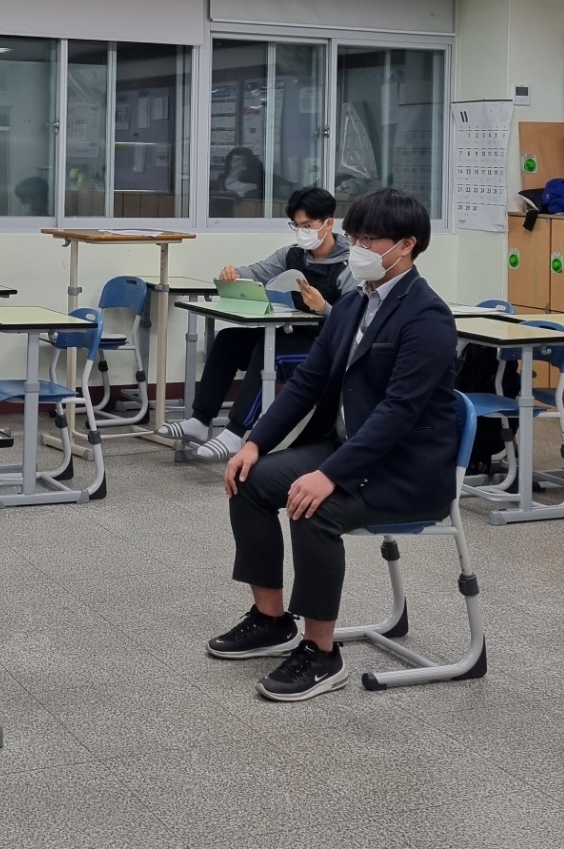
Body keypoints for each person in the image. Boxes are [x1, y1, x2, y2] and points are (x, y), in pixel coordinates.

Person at [205, 187, 459, 703]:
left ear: (406, 244)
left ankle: (321, 652)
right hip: (346, 449)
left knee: (311, 504)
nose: (358, 249)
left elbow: (398, 413)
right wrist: (255, 443)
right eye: (355, 238)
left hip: (402, 467)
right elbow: (305, 384)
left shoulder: (427, 316)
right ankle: (272, 620)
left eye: (370, 241)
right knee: (249, 480)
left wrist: (329, 475)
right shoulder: (352, 306)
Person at [158, 187, 352, 462]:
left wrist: (323, 308)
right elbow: (257, 271)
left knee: (271, 350)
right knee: (230, 340)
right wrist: (235, 273)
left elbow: (352, 325)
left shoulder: (349, 266)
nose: (302, 232)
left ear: (329, 223)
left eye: (308, 226)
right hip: (295, 333)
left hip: (329, 348)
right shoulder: (292, 255)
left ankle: (235, 433)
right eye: (296, 226)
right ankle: (200, 421)